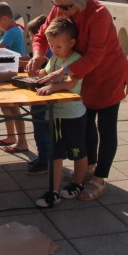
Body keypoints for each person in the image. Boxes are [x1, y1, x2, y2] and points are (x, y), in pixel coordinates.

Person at [28, 0, 128, 201]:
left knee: (106, 128)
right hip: (81, 77)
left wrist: (63, 72)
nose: (61, 11)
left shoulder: (99, 14)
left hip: (107, 76)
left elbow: (95, 55)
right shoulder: (61, 8)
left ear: (81, 0)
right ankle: (89, 166)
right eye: (57, 5)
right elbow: (42, 35)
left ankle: (99, 179)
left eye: (66, 6)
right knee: (85, 125)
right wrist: (37, 56)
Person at [32, 17, 87, 207]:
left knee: (78, 151)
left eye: (58, 46)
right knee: (55, 153)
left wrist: (53, 87)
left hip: (73, 114)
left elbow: (72, 82)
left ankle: (78, 183)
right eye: (51, 46)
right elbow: (45, 73)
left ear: (71, 43)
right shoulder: (55, 58)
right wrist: (34, 72)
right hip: (55, 114)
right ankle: (53, 190)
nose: (54, 50)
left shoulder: (76, 60)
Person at [0, 2, 28, 154]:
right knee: (5, 106)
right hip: (9, 70)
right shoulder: (15, 29)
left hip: (13, 72)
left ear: (5, 18)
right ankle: (11, 136)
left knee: (13, 107)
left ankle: (22, 141)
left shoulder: (12, 32)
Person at [25, 14, 51, 175]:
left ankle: (44, 161)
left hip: (43, 95)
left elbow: (46, 70)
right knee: (41, 126)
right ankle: (44, 158)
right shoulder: (50, 50)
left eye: (31, 36)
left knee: (41, 127)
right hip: (41, 92)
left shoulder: (48, 51)